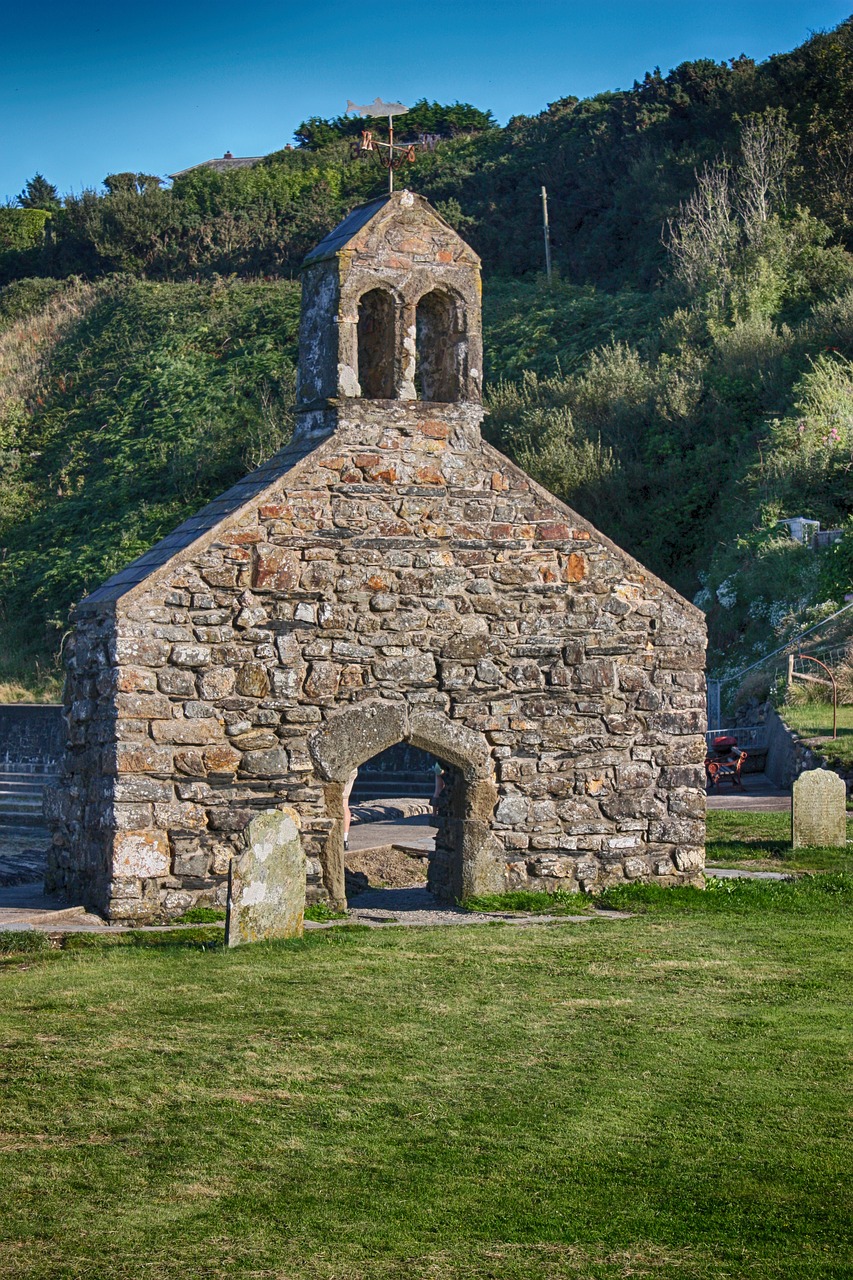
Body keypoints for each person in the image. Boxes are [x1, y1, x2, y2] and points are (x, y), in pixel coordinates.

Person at [342, 769, 357, 851]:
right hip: (352, 768)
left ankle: (343, 840)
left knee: (343, 804)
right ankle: (345, 839)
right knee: (345, 803)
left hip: (341, 769)